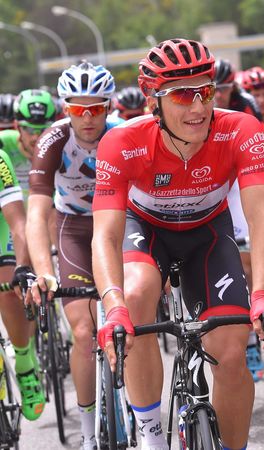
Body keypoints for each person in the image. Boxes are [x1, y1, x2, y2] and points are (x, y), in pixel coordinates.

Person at [91, 38, 264, 450]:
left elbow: (262, 214)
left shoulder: (240, 129)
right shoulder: (122, 142)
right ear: (153, 101)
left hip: (207, 233)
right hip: (146, 230)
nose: (198, 107)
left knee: (231, 352)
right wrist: (114, 305)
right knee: (137, 295)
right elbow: (105, 234)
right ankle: (150, 436)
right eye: (182, 95)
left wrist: (263, 294)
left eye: (206, 92)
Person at [26, 61, 119, 450]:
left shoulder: (122, 134)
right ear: (66, 109)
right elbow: (36, 214)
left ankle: (142, 408)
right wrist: (44, 273)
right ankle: (88, 430)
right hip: (74, 229)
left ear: (109, 106)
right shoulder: (53, 141)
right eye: (79, 109)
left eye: (96, 108)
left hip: (118, 225)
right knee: (83, 332)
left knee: (133, 321)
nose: (88, 117)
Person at [214, 59, 264, 381]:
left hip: (237, 179)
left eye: (224, 89)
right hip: (212, 180)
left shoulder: (245, 105)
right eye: (214, 89)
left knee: (246, 260)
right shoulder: (198, 107)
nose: (219, 95)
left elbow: (257, 147)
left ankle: (251, 340)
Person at [0, 145, 45, 421]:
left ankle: (25, 362)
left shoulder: (0, 160)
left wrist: (22, 267)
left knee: (7, 288)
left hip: (1, 228)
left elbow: (18, 224)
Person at [0, 89, 56, 196]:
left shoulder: (62, 147)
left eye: (43, 129)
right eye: (29, 129)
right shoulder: (4, 142)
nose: (36, 137)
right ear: (17, 126)